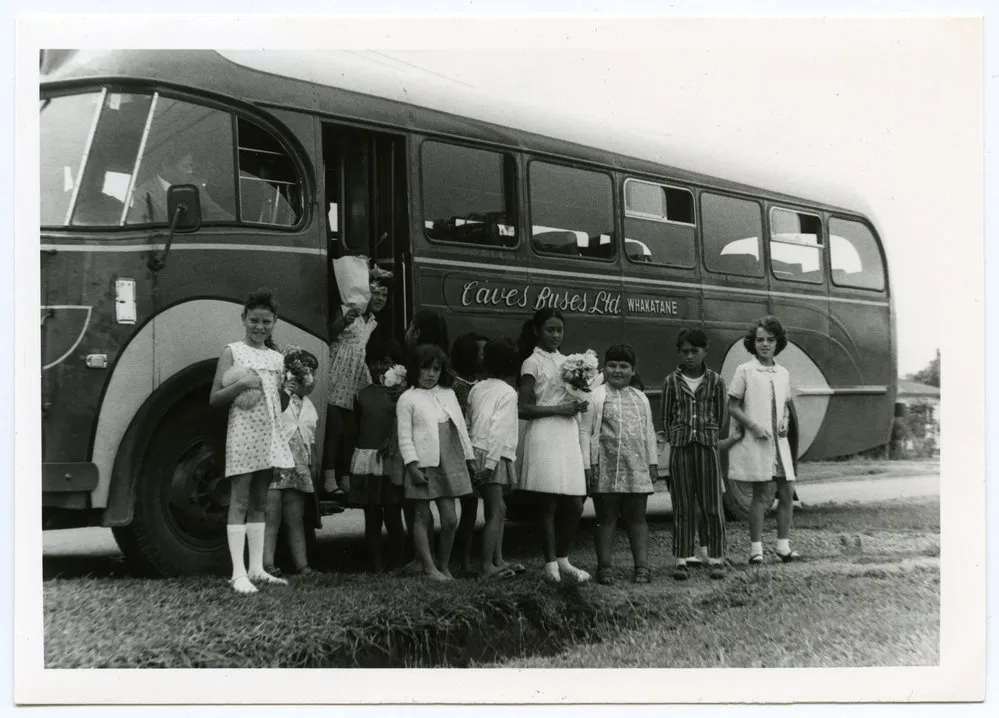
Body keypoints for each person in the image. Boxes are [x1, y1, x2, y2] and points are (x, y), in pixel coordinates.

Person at [209, 289, 293, 594]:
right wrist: (242, 383)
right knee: (240, 500)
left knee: (260, 502)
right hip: (243, 434)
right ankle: (238, 572)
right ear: (244, 318)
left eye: (266, 321)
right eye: (254, 320)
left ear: (275, 322)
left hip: (269, 435)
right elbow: (215, 398)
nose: (260, 326)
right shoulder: (232, 352)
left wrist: (297, 386)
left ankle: (257, 569)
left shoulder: (277, 358)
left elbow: (279, 401)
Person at [518, 308, 590, 583]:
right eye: (550, 329)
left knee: (574, 503)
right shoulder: (531, 363)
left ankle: (564, 559)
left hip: (567, 433)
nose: (556, 335)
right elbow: (523, 408)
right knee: (547, 503)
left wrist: (579, 403)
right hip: (545, 433)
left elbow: (576, 397)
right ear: (537, 330)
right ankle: (550, 565)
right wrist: (560, 409)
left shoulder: (569, 362)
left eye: (560, 329)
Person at [579, 344, 658, 585]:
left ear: (633, 370)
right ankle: (605, 566)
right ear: (604, 368)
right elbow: (585, 431)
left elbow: (649, 431)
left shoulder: (641, 397)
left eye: (624, 366)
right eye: (612, 365)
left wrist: (653, 461)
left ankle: (641, 567)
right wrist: (587, 464)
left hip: (636, 467)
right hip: (606, 466)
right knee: (606, 518)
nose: (618, 370)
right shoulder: (596, 396)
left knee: (637, 518)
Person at [396, 344, 476, 581]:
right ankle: (429, 567)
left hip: (450, 458)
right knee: (421, 515)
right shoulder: (407, 398)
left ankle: (443, 565)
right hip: (423, 460)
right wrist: (412, 465)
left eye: (436, 369)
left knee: (450, 518)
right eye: (425, 369)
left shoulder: (448, 394)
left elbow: (461, 428)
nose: (431, 374)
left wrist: (469, 457)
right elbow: (404, 436)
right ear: (415, 369)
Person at [727, 316, 798, 564]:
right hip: (758, 440)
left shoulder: (783, 373)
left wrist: (785, 421)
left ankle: (783, 547)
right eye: (760, 340)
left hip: (780, 442)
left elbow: (786, 406)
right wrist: (753, 426)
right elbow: (733, 406)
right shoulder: (745, 370)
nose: (764, 344)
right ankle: (756, 550)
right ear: (753, 343)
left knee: (787, 491)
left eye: (769, 340)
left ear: (778, 342)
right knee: (761, 495)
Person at [661, 329, 729, 581]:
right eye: (684, 351)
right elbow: (666, 417)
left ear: (704, 352)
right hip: (681, 448)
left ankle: (716, 558)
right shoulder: (671, 382)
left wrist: (706, 434)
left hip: (707, 447)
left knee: (712, 503)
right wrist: (677, 436)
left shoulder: (716, 381)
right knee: (682, 504)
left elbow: (720, 417)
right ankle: (681, 559)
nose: (689, 356)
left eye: (695, 351)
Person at [322, 267, 390, 499]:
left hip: (354, 374)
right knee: (334, 426)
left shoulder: (372, 321)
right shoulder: (346, 310)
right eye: (376, 293)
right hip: (336, 369)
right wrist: (343, 321)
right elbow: (329, 335)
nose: (380, 298)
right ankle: (329, 478)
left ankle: (346, 476)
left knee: (351, 429)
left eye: (384, 295)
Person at [348, 336, 408, 572]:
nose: (380, 367)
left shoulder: (401, 395)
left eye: (386, 362)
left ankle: (399, 562)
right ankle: (376, 565)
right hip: (366, 460)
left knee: (393, 515)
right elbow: (356, 430)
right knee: (372, 517)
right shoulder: (361, 395)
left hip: (390, 460)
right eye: (375, 362)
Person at [467, 338, 524, 580]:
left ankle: (498, 560)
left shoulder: (477, 387)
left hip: (477, 450)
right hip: (493, 455)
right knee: (494, 512)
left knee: (498, 508)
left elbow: (471, 421)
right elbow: (498, 430)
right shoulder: (509, 393)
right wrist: (490, 465)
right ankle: (487, 567)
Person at [262, 347, 320, 577]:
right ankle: (266, 563)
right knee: (271, 515)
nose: (307, 381)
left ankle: (302, 566)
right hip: (276, 463)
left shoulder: (310, 407)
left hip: (298, 466)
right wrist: (285, 393)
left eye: (310, 376)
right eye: (302, 375)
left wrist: (311, 461)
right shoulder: (278, 398)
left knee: (295, 517)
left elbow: (310, 436)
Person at [451, 332, 490, 574]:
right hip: (464, 452)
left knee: (470, 511)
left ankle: (465, 560)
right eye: (481, 352)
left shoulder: (478, 384)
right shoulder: (459, 386)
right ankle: (462, 561)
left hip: (476, 449)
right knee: (466, 510)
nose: (485, 357)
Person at [127, 146, 232, 224]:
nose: (190, 172)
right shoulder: (143, 193)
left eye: (191, 167)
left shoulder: (195, 186)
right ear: (166, 166)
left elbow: (216, 212)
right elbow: (142, 229)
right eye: (186, 167)